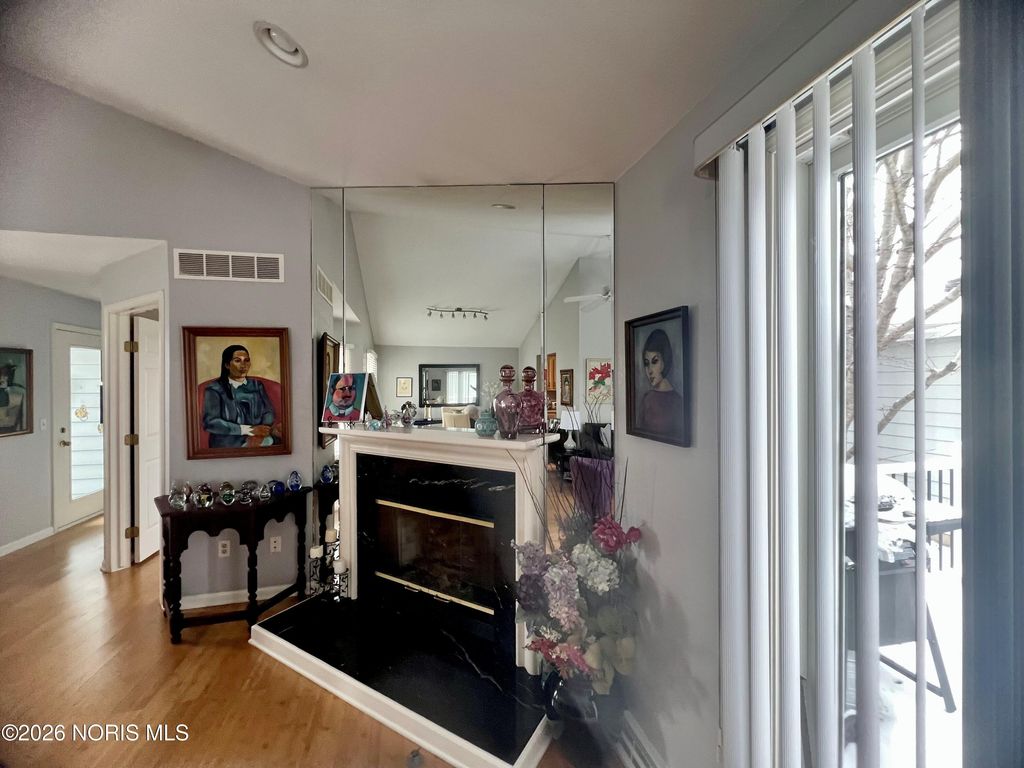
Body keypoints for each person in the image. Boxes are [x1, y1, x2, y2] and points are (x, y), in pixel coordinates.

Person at [202, 344, 277, 448]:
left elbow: (268, 412)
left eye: (246, 360)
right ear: (227, 365)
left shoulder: (256, 385)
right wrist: (250, 430)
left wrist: (260, 433)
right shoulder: (214, 389)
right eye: (237, 361)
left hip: (259, 439)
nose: (243, 365)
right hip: (228, 445)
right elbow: (211, 423)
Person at [637, 329, 683, 437]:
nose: (649, 370)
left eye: (655, 361)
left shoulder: (677, 402)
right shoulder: (646, 399)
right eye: (646, 363)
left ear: (665, 361)